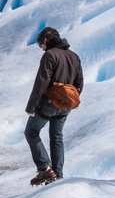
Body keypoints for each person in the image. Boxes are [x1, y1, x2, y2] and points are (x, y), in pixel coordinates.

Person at [24, 27, 84, 185]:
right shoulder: (74, 56)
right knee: (56, 137)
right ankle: (58, 174)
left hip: (48, 104)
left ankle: (45, 168)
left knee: (31, 132)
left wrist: (31, 106)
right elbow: (79, 84)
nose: (42, 48)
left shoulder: (49, 55)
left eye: (41, 45)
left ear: (45, 40)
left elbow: (41, 82)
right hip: (66, 106)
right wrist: (68, 100)